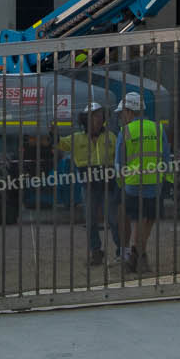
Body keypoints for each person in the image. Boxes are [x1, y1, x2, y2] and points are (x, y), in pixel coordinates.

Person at [59, 99, 119, 266]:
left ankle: (122, 251)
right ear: (86, 120)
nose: (97, 120)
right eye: (93, 117)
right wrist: (52, 134)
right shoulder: (77, 138)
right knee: (91, 220)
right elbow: (60, 143)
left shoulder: (111, 137)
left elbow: (120, 157)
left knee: (113, 219)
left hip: (109, 183)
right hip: (89, 185)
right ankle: (96, 252)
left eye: (100, 116)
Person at [113, 91, 167, 273]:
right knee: (149, 219)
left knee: (137, 220)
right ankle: (140, 256)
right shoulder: (158, 128)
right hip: (155, 182)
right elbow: (166, 157)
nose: (121, 117)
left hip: (133, 184)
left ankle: (136, 255)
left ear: (129, 111)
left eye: (122, 113)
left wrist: (122, 184)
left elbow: (119, 163)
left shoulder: (125, 131)